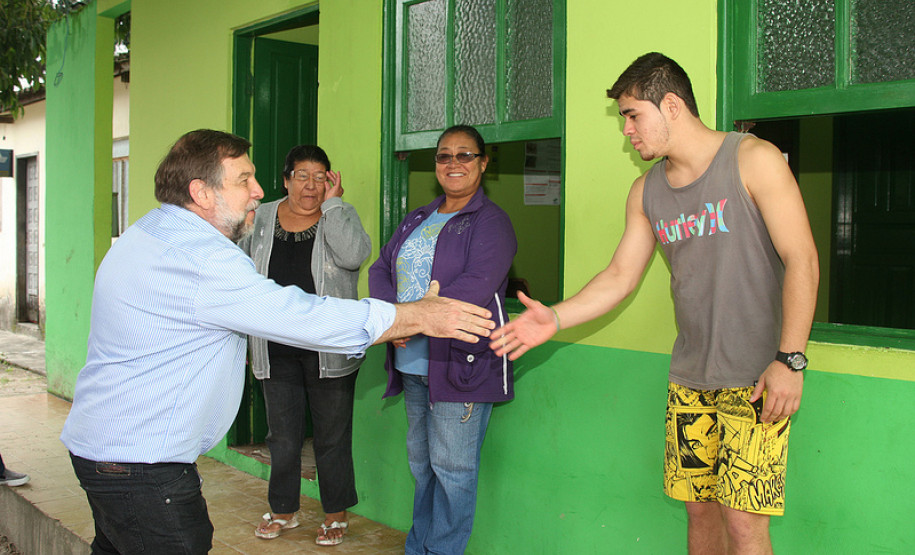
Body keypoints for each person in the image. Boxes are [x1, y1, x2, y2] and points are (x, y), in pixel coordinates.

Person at [60, 129, 497, 555]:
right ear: (202, 192)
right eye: (243, 180)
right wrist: (416, 315)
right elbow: (299, 315)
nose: (258, 190)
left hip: (107, 451)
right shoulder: (203, 257)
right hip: (142, 465)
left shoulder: (149, 231)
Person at [490, 53, 819, 554]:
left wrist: (789, 360)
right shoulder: (647, 191)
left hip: (756, 379)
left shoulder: (753, 160)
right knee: (699, 513)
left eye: (632, 115)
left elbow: (803, 260)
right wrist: (555, 317)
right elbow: (620, 276)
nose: (627, 130)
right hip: (689, 379)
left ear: (671, 105)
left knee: (745, 525)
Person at [369, 125, 517, 555]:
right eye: (443, 156)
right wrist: (394, 318)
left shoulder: (491, 222)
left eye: (464, 155)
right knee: (423, 466)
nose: (453, 164)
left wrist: (408, 323)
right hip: (413, 364)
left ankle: (442, 550)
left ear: (483, 163)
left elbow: (477, 284)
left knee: (453, 471)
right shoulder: (418, 217)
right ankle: (419, 548)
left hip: (460, 365)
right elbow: (381, 269)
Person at [238, 145, 370, 546]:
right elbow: (239, 266)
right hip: (275, 343)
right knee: (282, 436)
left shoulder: (338, 215)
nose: (310, 185)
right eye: (301, 175)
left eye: (320, 176)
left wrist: (334, 206)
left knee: (331, 436)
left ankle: (335, 515)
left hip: (326, 346)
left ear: (330, 181)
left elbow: (353, 256)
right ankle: (284, 510)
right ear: (286, 179)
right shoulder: (260, 217)